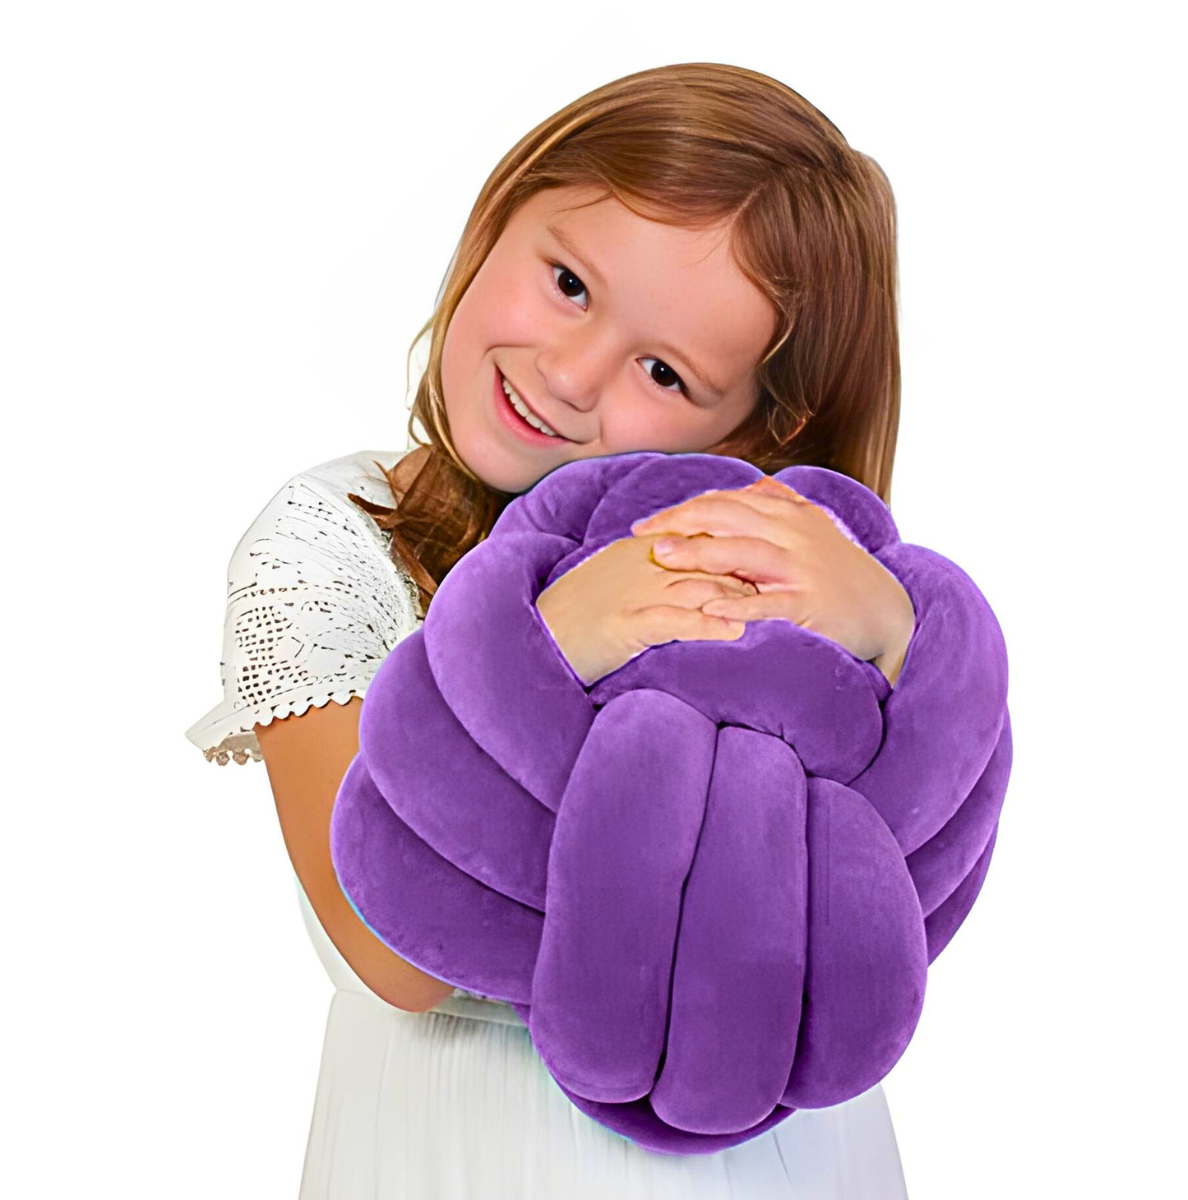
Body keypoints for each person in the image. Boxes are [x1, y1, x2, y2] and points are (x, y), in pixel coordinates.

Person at [186, 62, 915, 1198]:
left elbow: (887, 903)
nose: (571, 379)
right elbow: (392, 954)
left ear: (758, 424)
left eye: (665, 371)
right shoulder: (331, 546)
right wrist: (535, 646)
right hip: (458, 1156)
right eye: (570, 283)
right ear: (502, 209)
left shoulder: (761, 582)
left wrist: (898, 635)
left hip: (766, 1162)